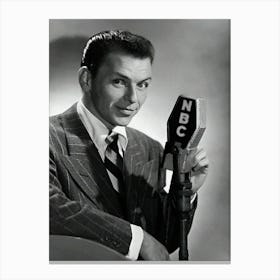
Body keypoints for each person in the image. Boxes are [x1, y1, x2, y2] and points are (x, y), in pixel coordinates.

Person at [49, 30, 209, 261]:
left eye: (143, 84)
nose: (133, 98)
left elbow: (164, 244)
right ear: (86, 79)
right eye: (119, 82)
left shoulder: (149, 149)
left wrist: (185, 192)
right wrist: (136, 238)